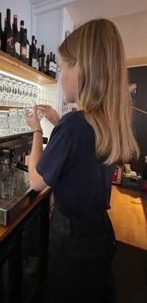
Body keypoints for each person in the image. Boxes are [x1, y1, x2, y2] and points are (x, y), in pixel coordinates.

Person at [25, 18, 139, 303]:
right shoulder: (105, 120)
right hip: (98, 233)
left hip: (72, 241)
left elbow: (36, 181)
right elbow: (82, 150)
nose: (60, 77)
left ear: (80, 68)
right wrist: (57, 121)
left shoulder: (75, 124)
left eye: (62, 68)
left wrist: (37, 130)